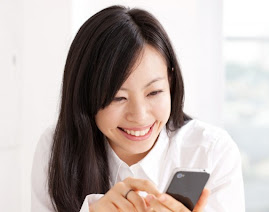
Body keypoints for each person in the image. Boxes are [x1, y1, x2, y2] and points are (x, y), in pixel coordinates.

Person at [31, 5, 245, 212]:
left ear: (170, 81)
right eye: (118, 98)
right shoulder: (56, 149)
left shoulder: (210, 151)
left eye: (154, 93)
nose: (140, 115)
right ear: (86, 96)